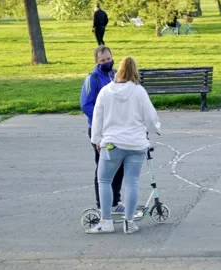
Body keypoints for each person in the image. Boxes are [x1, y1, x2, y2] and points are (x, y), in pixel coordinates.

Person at [87, 56, 161, 234]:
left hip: (113, 143)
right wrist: (156, 129)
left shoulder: (105, 91)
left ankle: (106, 221)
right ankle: (129, 222)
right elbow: (150, 116)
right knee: (132, 182)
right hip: (136, 143)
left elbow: (98, 118)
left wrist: (96, 139)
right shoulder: (138, 91)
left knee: (104, 180)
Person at [80, 45, 125, 213]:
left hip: (117, 129)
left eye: (109, 59)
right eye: (103, 60)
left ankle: (115, 200)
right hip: (100, 130)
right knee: (103, 166)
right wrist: (103, 120)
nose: (107, 62)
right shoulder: (93, 79)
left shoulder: (116, 76)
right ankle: (102, 204)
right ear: (97, 62)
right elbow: (86, 104)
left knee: (120, 164)